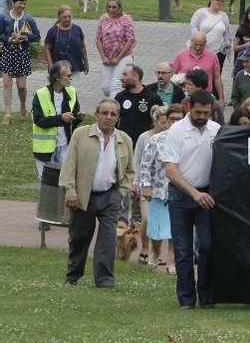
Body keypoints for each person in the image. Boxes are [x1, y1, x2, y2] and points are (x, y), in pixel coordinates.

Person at [61, 99, 135, 287]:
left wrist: (121, 191)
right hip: (83, 195)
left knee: (108, 239)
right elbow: (69, 165)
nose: (108, 117)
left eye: (113, 114)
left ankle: (105, 280)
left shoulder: (124, 140)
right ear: (96, 115)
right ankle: (73, 275)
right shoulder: (81, 135)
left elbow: (129, 171)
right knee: (79, 237)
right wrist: (70, 190)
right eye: (104, 113)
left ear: (118, 118)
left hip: (110, 195)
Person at [160, 89, 221, 308]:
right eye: (198, 112)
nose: (202, 117)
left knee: (207, 246)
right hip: (181, 195)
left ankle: (206, 295)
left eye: (206, 113)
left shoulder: (216, 130)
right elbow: (171, 170)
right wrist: (194, 193)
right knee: (183, 250)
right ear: (188, 108)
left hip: (207, 195)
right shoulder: (176, 131)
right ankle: (186, 299)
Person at [138, 104, 185, 274]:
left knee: (176, 229)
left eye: (179, 119)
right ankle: (155, 253)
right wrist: (146, 186)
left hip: (180, 191)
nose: (175, 122)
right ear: (166, 121)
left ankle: (171, 262)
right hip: (158, 191)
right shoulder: (156, 140)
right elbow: (145, 165)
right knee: (157, 229)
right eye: (172, 119)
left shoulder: (188, 140)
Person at [32, 61, 82, 179]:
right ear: (57, 77)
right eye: (68, 75)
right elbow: (39, 121)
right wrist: (60, 118)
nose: (71, 77)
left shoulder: (72, 91)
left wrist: (78, 117)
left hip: (64, 145)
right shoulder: (40, 94)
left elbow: (73, 115)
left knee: (65, 180)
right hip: (44, 149)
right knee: (46, 183)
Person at [0, 0, 40, 124]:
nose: (22, 6)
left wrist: (25, 37)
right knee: (7, 84)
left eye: (24, 3)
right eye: (20, 3)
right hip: (8, 53)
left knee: (21, 87)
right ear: (13, 3)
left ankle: (23, 105)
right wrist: (9, 38)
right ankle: (8, 113)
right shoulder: (4, 17)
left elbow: (37, 36)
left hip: (22, 54)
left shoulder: (28, 18)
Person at [95, 0, 136, 98]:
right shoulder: (103, 19)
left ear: (119, 8)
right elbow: (98, 38)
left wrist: (118, 57)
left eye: (114, 7)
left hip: (123, 57)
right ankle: (120, 99)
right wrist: (103, 56)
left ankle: (114, 109)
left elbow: (130, 40)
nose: (111, 10)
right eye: (109, 7)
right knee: (106, 87)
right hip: (107, 57)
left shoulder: (126, 20)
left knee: (116, 85)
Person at [172, 32, 225, 106]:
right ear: (191, 42)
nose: (198, 47)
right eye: (195, 44)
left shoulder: (212, 56)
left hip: (206, 95)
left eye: (201, 45)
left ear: (206, 43)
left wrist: (221, 98)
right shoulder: (181, 55)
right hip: (186, 95)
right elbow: (173, 75)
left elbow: (217, 78)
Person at [116, 64, 164, 144]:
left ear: (136, 77)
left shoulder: (152, 98)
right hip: (124, 143)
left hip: (145, 143)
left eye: (125, 75)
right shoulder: (120, 97)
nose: (121, 78)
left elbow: (161, 120)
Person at [43, 6, 88, 84]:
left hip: (75, 65)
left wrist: (86, 62)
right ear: (59, 17)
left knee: (72, 91)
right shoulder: (53, 31)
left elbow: (83, 47)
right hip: (58, 67)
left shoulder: (77, 29)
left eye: (69, 17)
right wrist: (50, 65)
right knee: (59, 90)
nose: (67, 19)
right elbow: (47, 48)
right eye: (65, 17)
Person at [190, 0, 234, 71]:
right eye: (217, 0)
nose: (219, 3)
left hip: (219, 51)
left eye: (221, 1)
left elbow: (227, 33)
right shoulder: (200, 12)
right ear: (211, 0)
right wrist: (199, 41)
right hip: (201, 48)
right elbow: (193, 27)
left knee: (216, 74)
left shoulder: (224, 16)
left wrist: (227, 45)